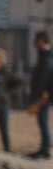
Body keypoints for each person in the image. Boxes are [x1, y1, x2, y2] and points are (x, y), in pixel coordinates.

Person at [29, 30, 52, 159]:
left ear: (42, 42)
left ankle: (45, 150)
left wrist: (43, 96)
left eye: (36, 41)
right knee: (41, 121)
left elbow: (45, 78)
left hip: (44, 95)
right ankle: (44, 148)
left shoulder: (47, 57)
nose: (34, 43)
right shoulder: (44, 55)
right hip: (43, 94)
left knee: (43, 121)